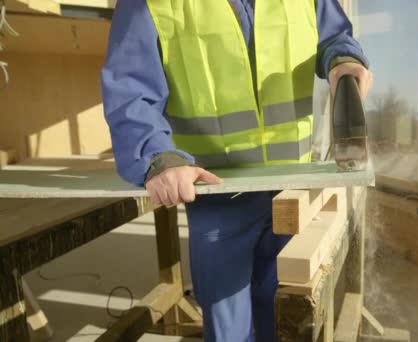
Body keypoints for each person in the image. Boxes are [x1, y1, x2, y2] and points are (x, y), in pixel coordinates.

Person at [101, 0, 372, 341]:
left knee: (283, 317)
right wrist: (156, 155)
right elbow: (131, 88)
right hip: (217, 197)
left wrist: (344, 58)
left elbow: (333, 35)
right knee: (229, 329)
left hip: (290, 192)